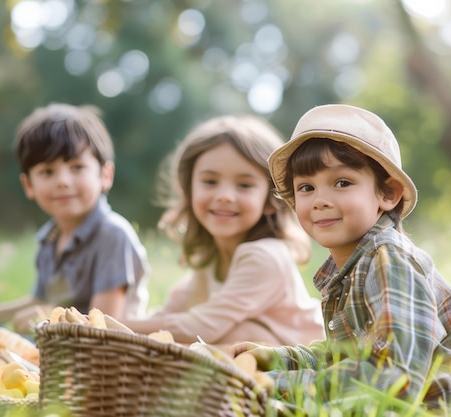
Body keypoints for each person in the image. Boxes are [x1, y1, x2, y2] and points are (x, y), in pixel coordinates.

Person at [232, 104, 451, 413]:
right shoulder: (352, 268)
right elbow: (345, 358)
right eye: (306, 187)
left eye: (342, 183)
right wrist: (276, 359)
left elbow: (394, 377)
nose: (321, 201)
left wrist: (276, 384)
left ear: (388, 193)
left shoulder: (390, 261)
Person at [0, 103, 150, 336]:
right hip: (54, 342)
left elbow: (103, 324)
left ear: (105, 175)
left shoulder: (112, 235)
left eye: (77, 167)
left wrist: (45, 316)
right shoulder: (50, 238)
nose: (63, 181)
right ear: (28, 185)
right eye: (47, 172)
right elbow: (41, 298)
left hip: (93, 354)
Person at [121, 114, 325, 347]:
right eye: (210, 181)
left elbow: (198, 327)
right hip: (256, 358)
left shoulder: (265, 256)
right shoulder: (210, 256)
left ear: (271, 199)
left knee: (233, 336)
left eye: (245, 185)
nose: (224, 196)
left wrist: (108, 325)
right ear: (190, 190)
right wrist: (115, 328)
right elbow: (170, 313)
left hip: (301, 361)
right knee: (195, 341)